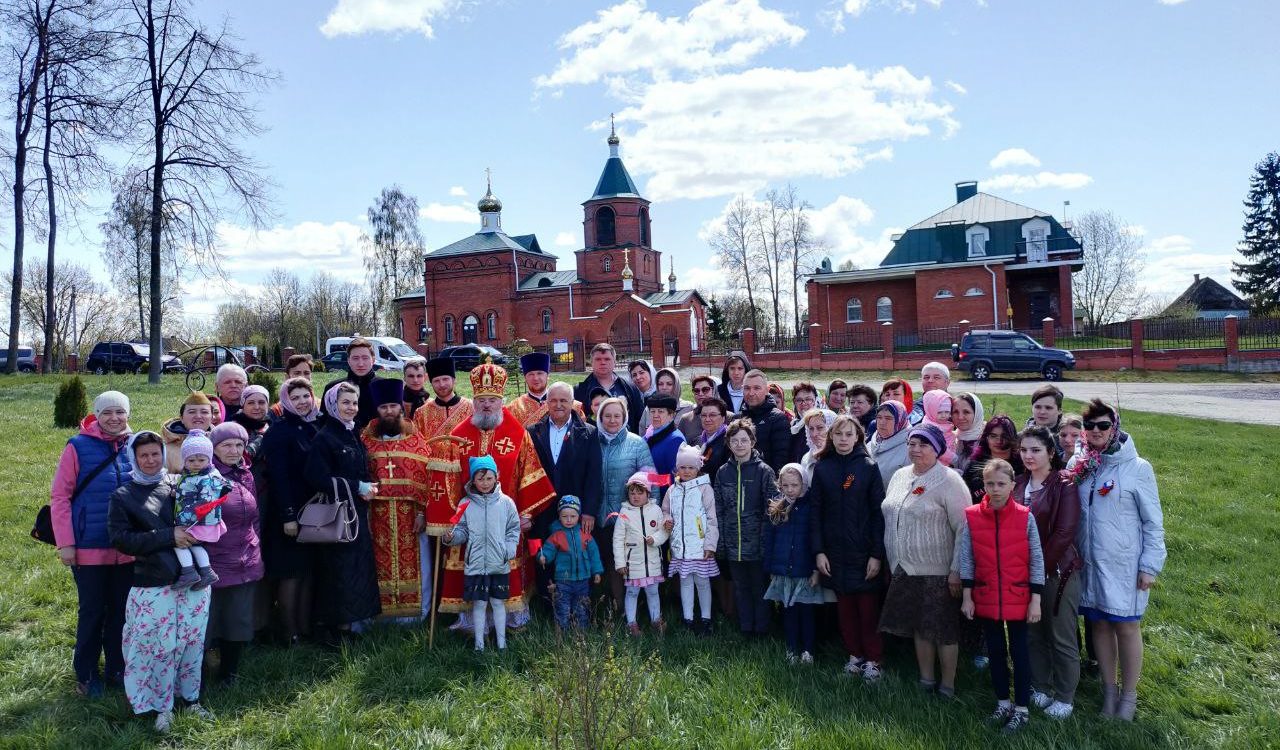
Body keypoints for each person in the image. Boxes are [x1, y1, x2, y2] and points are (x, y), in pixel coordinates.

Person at [108, 431, 214, 733]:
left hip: (193, 582)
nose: (151, 460)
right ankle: (161, 706)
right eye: (144, 455)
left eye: (156, 454)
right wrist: (169, 536)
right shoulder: (123, 496)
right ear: (134, 458)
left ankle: (191, 699)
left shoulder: (178, 484)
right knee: (159, 648)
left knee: (192, 644)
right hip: (155, 583)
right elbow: (121, 539)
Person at [1068, 399, 1166, 721]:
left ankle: (1130, 696)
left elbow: (1153, 522)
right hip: (1090, 563)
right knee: (1099, 624)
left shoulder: (1138, 468)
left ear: (1115, 427)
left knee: (1126, 625)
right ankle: (1109, 692)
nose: (1096, 431)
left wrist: (1149, 565)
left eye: (1103, 425)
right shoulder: (1079, 465)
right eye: (1090, 426)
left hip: (1125, 564)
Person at [440, 363, 557, 630]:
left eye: (492, 400)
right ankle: (471, 621)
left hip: (506, 518)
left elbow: (530, 472)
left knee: (503, 565)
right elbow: (449, 480)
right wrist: (451, 517)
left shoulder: (517, 434)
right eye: (482, 400)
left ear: (501, 401)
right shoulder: (458, 436)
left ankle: (511, 620)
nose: (487, 406)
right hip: (469, 520)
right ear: (474, 402)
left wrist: (526, 513)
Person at [51, 390, 135, 697]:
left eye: (120, 412)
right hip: (88, 546)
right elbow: (60, 497)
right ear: (96, 416)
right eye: (107, 413)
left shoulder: (136, 444)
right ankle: (86, 674)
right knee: (92, 612)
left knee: (122, 612)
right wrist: (66, 544)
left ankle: (116, 668)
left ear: (128, 414)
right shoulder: (77, 446)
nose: (114, 418)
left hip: (127, 549)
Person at [956, 458, 1045, 735]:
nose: (995, 489)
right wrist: (967, 596)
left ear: (1012, 485)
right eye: (990, 483)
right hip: (985, 593)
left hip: (1018, 593)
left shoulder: (1024, 516)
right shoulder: (972, 515)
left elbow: (1036, 559)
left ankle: (1021, 709)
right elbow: (967, 558)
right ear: (983, 485)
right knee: (995, 651)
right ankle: (1002, 703)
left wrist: (1035, 599)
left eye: (1001, 484)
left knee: (1019, 652)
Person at [879, 424, 970, 698]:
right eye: (912, 444)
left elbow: (964, 529)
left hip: (939, 571)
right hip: (903, 567)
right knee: (920, 627)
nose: (916, 450)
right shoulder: (899, 476)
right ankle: (926, 679)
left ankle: (949, 685)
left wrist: (956, 571)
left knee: (943, 630)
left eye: (924, 445)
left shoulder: (949, 480)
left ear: (938, 449)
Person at [811, 415, 886, 679]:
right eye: (839, 434)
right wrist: (819, 551)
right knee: (845, 609)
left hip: (863, 551)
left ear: (858, 438)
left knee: (867, 610)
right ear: (831, 437)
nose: (843, 439)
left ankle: (874, 660)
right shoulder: (822, 468)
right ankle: (855, 655)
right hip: (834, 552)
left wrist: (877, 554)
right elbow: (816, 512)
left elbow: (879, 514)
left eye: (849, 435)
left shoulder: (867, 467)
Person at [304, 382, 382, 638]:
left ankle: (352, 625)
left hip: (355, 512)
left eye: (354, 402)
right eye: (345, 402)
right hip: (335, 515)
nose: (351, 407)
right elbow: (316, 478)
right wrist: (357, 486)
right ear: (332, 405)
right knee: (338, 571)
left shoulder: (351, 432)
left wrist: (365, 486)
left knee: (355, 569)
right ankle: (335, 630)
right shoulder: (325, 437)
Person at [1015, 425, 1082, 719]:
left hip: (1057, 571)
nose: (1028, 456)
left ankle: (1065, 696)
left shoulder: (1064, 484)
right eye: (1024, 450)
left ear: (1051, 453)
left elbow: (1065, 531)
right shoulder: (1018, 484)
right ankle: (1041, 686)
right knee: (1033, 633)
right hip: (1023, 572)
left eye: (1036, 450)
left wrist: (1039, 571)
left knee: (1060, 634)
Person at [361, 378, 437, 621]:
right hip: (376, 515)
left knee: (418, 563)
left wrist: (423, 513)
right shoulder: (366, 440)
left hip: (410, 515)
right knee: (376, 563)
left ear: (401, 408)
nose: (389, 412)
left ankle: (415, 615)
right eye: (384, 408)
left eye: (393, 406)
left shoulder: (416, 439)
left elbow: (428, 477)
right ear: (377, 410)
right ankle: (379, 614)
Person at [258, 377, 320, 645]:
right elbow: (278, 476)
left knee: (307, 572)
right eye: (295, 398)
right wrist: (288, 515)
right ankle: (289, 632)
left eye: (305, 396)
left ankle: (305, 628)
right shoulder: (279, 431)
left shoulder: (314, 425)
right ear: (285, 401)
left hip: (314, 512)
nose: (302, 402)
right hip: (289, 513)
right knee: (290, 574)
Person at [205, 421, 263, 686]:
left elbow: (255, 517)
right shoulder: (204, 477)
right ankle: (200, 673)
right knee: (209, 619)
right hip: (214, 560)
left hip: (245, 557)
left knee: (238, 618)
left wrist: (255, 545)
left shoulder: (246, 475)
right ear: (214, 448)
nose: (233, 450)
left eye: (239, 445)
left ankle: (230, 672)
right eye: (226, 445)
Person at [445, 456, 521, 651]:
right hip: (476, 564)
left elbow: (513, 529)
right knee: (478, 604)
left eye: (489, 478)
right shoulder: (466, 503)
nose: (485, 483)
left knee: (497, 602)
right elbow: (461, 531)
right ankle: (479, 645)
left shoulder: (506, 503)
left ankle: (502, 644)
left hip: (499, 562)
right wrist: (450, 537)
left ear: (496, 477)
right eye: (480, 479)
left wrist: (509, 550)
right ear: (473, 480)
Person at [714, 418, 777, 637]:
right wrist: (721, 542)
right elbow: (718, 508)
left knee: (759, 587)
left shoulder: (764, 471)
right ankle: (745, 627)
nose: (739, 445)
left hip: (757, 544)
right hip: (733, 544)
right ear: (729, 444)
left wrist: (765, 539)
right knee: (740, 587)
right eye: (735, 441)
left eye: (744, 440)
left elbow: (772, 509)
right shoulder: (723, 472)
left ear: (752, 442)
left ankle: (762, 628)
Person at [764, 463, 829, 664]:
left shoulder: (810, 508)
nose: (791, 489)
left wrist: (815, 570)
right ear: (780, 486)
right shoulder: (778, 507)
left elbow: (815, 540)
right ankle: (791, 649)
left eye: (795, 485)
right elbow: (770, 540)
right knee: (789, 611)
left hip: (804, 571)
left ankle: (808, 650)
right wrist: (770, 567)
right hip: (784, 571)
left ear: (804, 484)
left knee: (806, 612)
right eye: (786, 485)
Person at [594, 397, 656, 607]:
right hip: (599, 516)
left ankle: (634, 608)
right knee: (609, 561)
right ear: (600, 417)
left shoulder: (636, 443)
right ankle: (612, 605)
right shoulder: (591, 441)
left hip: (629, 516)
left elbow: (650, 479)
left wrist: (649, 512)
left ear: (624, 417)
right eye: (607, 416)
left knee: (630, 561)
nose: (612, 420)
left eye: (617, 416)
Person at [528, 381, 603, 544]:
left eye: (563, 400)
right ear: (547, 403)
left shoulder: (589, 433)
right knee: (544, 561)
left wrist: (589, 511)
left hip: (575, 512)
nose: (558, 405)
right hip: (542, 512)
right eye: (553, 400)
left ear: (572, 403)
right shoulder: (532, 432)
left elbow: (594, 476)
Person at [662, 445, 719, 634]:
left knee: (702, 582)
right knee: (685, 581)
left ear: (698, 468)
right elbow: (665, 510)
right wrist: (667, 519)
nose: (686, 471)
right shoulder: (672, 490)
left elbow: (712, 518)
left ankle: (706, 619)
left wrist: (710, 543)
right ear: (677, 468)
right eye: (682, 467)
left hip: (700, 547)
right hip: (680, 548)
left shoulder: (704, 489)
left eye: (691, 467)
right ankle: (688, 618)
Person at [614, 471, 670, 636]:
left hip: (652, 563)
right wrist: (621, 564)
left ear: (648, 493)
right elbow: (617, 540)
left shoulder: (656, 511)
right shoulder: (623, 514)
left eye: (640, 493)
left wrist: (655, 539)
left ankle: (655, 620)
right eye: (632, 493)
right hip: (633, 565)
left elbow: (664, 531)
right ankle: (631, 623)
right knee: (632, 593)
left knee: (653, 592)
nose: (636, 496)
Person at [537, 495, 603, 631]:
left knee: (582, 607)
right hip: (563, 580)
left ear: (578, 516)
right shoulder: (556, 535)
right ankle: (563, 633)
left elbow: (594, 554)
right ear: (559, 516)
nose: (568, 520)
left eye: (572, 516)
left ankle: (582, 632)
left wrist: (596, 571)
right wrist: (543, 556)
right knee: (563, 607)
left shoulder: (585, 534)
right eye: (564, 516)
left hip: (583, 579)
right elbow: (548, 550)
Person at [173, 430, 228, 590]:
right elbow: (187, 490)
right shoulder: (194, 474)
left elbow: (204, 501)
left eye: (201, 459)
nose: (196, 463)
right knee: (196, 546)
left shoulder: (207, 478)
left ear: (209, 459)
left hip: (199, 521)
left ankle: (188, 572)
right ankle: (207, 571)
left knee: (179, 544)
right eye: (191, 460)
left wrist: (184, 519)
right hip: (201, 521)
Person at [574, 343, 645, 434]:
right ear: (591, 362)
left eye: (607, 359)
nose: (603, 362)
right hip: (593, 443)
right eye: (598, 359)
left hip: (625, 442)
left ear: (614, 362)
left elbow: (640, 418)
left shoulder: (629, 387)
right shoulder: (579, 390)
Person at [321, 336, 381, 431]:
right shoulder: (333, 389)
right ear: (348, 361)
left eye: (365, 358)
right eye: (355, 358)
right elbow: (323, 423)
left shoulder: (385, 387)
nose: (360, 363)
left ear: (373, 360)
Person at [508, 352, 581, 427]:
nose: (535, 378)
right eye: (531, 374)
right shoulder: (514, 407)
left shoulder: (573, 406)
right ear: (525, 378)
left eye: (540, 373)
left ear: (547, 376)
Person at [962, 416, 1024, 504]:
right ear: (986, 438)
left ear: (1013, 438)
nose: (999, 441)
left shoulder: (1021, 466)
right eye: (993, 436)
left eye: (1004, 436)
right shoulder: (974, 466)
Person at [740, 369, 791, 473]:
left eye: (757, 388)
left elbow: (781, 460)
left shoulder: (777, 419)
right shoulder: (738, 418)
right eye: (747, 388)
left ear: (767, 390)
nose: (751, 393)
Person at [162, 392, 217, 473]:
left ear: (212, 417)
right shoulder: (165, 450)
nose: (198, 416)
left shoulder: (220, 444)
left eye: (204, 412)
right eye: (192, 412)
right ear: (181, 418)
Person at [644, 393, 687, 485]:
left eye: (660, 411)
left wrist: (646, 478)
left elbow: (675, 478)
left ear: (671, 415)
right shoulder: (649, 434)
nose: (655, 415)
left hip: (664, 495)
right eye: (652, 411)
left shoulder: (676, 440)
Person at [867, 400, 910, 487]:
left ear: (900, 420)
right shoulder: (871, 443)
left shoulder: (910, 449)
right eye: (879, 417)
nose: (882, 422)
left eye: (888, 418)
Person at [639, 367, 694, 433]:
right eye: (660, 384)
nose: (664, 388)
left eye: (669, 384)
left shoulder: (688, 408)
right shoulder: (649, 409)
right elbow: (642, 433)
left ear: (676, 386)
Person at [695, 398, 731, 482]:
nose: (707, 419)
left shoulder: (729, 442)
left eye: (712, 415)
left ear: (723, 418)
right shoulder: (696, 441)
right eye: (703, 415)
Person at [678, 374, 722, 443]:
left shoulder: (727, 416)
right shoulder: (685, 419)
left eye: (705, 389)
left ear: (713, 391)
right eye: (696, 391)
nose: (701, 394)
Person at [919, 390, 958, 466]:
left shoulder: (943, 425)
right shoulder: (929, 429)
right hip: (936, 465)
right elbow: (937, 447)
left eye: (947, 412)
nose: (944, 416)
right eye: (939, 412)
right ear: (930, 410)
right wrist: (952, 458)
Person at [796, 408, 836, 479]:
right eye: (811, 429)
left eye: (820, 428)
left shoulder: (842, 455)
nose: (814, 434)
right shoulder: (806, 458)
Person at [951, 393, 985, 474]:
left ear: (977, 413)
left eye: (966, 412)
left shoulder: (987, 440)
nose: (960, 417)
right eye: (955, 412)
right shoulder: (952, 438)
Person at [788, 382, 820, 463]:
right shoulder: (794, 425)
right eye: (799, 400)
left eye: (808, 399)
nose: (803, 403)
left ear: (815, 401)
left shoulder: (821, 424)